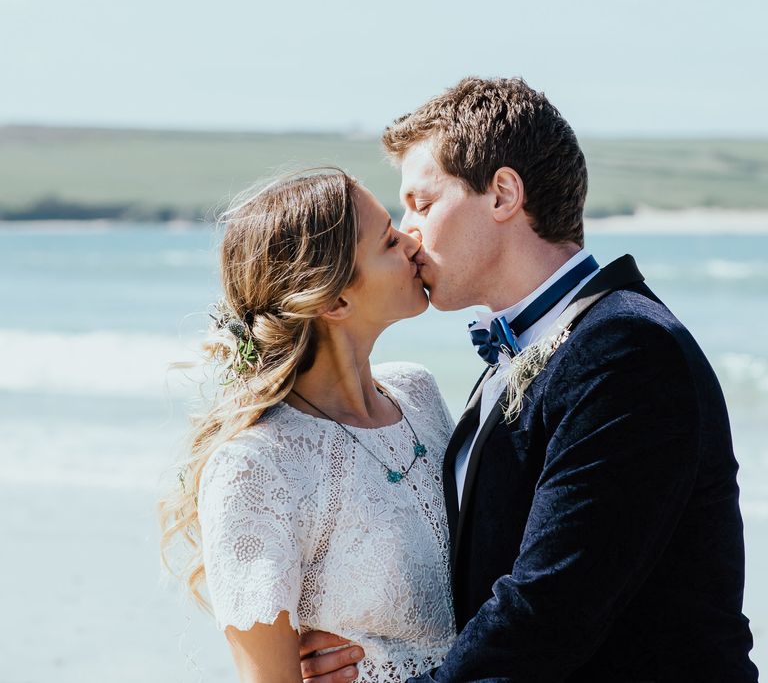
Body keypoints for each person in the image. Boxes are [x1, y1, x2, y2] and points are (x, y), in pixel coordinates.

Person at [299, 78, 759, 682]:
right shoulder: (524, 349)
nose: (407, 232)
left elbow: (549, 607)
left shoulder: (627, 350)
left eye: (423, 203)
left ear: (503, 194)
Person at [158, 170, 459, 682]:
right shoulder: (255, 467)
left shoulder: (420, 394)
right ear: (333, 301)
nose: (413, 242)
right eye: (388, 239)